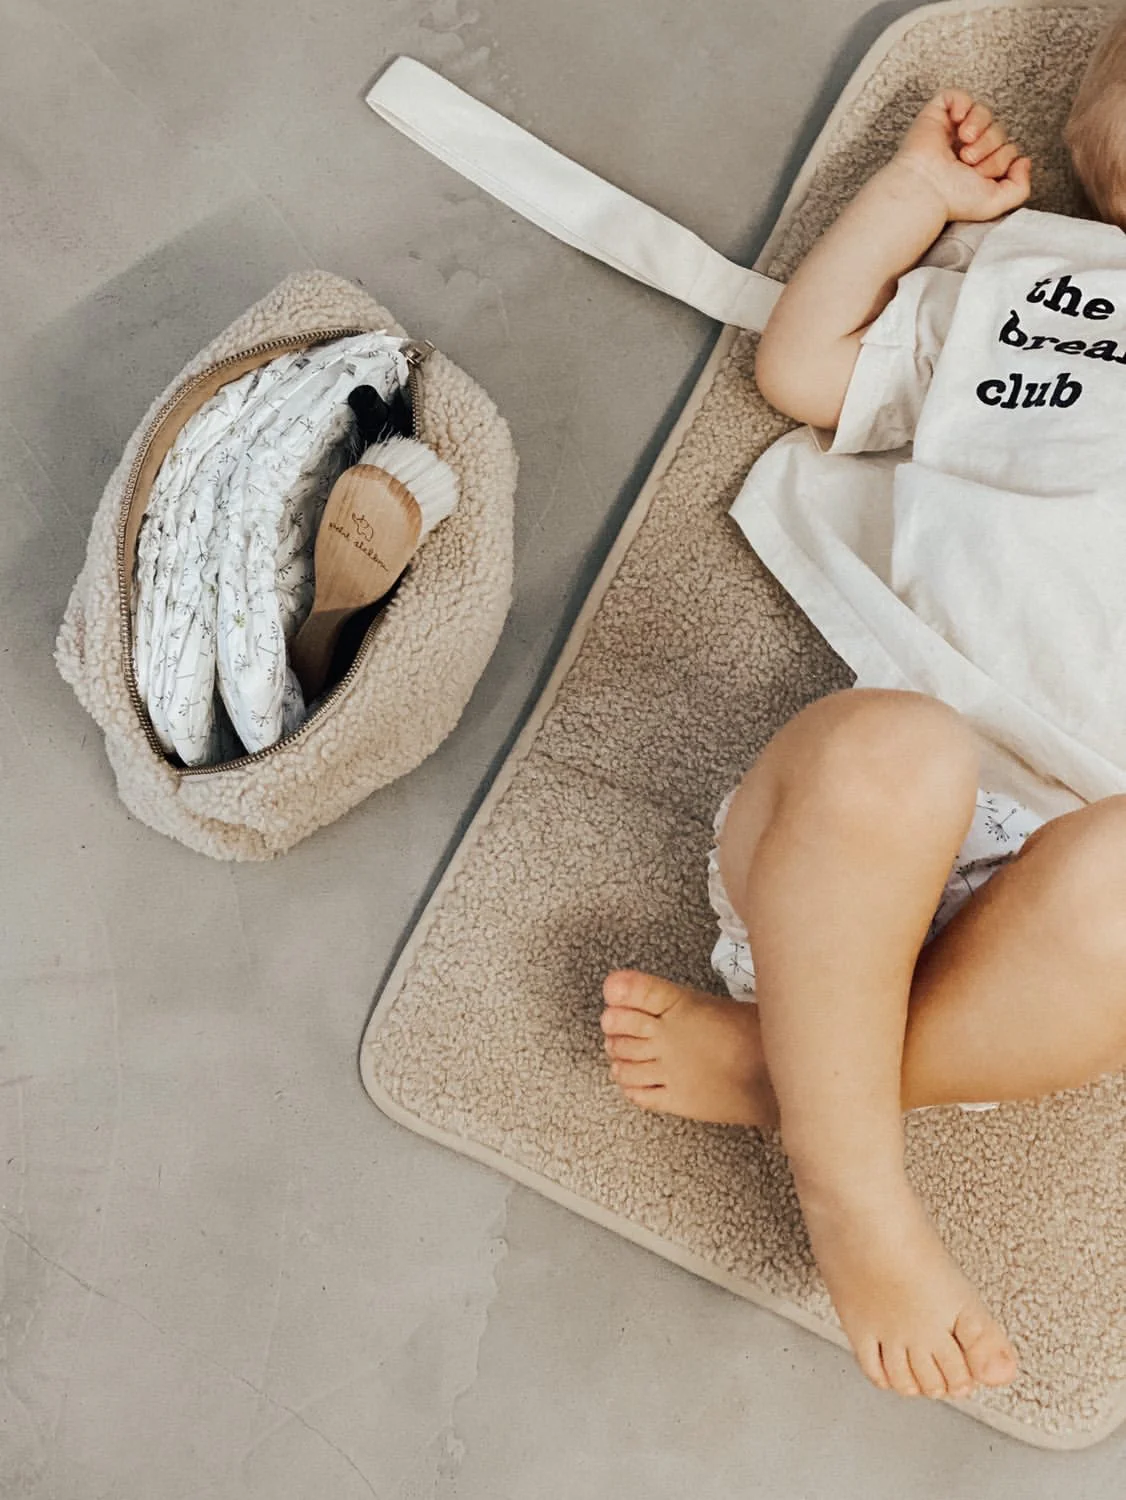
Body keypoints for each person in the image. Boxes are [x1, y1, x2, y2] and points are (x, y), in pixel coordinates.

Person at [601, 42, 1126, 1405]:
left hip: (1048, 929)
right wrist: (909, 200)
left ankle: (787, 1076)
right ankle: (855, 1195)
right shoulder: (1047, 294)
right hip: (869, 827)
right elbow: (802, 369)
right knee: (896, 750)